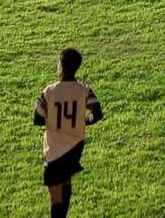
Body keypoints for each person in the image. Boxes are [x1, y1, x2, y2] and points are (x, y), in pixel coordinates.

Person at [33, 47, 103, 218]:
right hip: (75, 147)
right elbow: (98, 113)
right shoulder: (83, 89)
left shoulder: (49, 91)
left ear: (61, 67)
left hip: (54, 151)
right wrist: (85, 121)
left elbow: (38, 119)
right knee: (66, 184)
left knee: (55, 199)